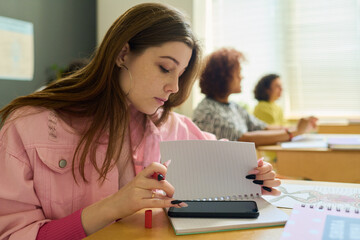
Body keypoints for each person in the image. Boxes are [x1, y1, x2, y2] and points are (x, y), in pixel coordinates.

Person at [0, 4, 280, 240]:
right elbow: (14, 233)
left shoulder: (170, 125)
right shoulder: (28, 126)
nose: (173, 86)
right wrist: (113, 207)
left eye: (180, 75)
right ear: (123, 54)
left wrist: (257, 176)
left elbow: (226, 161)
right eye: (165, 68)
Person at [193, 48, 317, 146]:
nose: (241, 77)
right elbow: (244, 139)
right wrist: (295, 132)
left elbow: (263, 127)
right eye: (238, 73)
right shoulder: (207, 110)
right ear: (222, 77)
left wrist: (299, 128)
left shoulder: (233, 107)